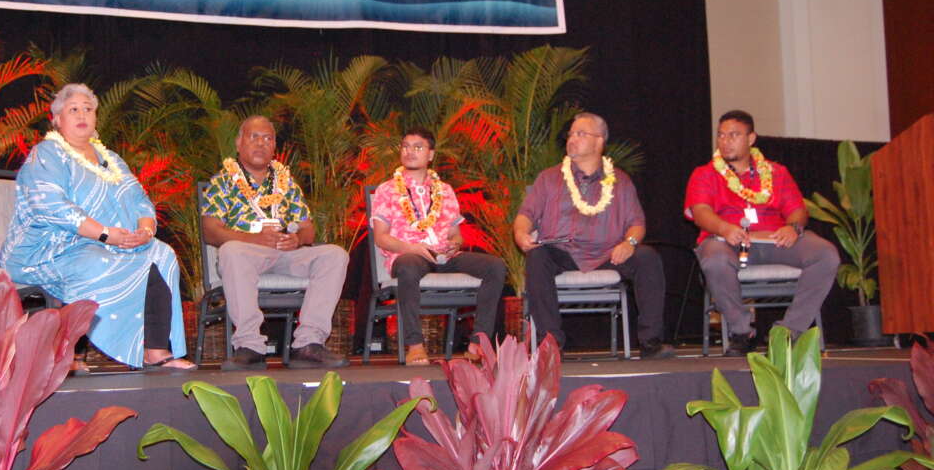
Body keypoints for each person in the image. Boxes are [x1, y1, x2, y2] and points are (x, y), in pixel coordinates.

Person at [1, 83, 194, 370]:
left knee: (162, 253)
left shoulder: (111, 159)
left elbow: (139, 199)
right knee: (95, 262)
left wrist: (144, 231)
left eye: (88, 109)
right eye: (73, 109)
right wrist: (104, 234)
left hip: (109, 242)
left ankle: (155, 349)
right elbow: (50, 204)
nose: (82, 115)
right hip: (50, 248)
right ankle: (69, 355)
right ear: (57, 120)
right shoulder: (48, 154)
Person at [512, 112, 674, 359]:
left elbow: (637, 224)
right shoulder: (549, 178)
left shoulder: (620, 180)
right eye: (571, 134)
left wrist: (629, 243)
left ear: (599, 141)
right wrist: (521, 232)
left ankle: (651, 342)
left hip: (608, 253)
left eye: (580, 134)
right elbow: (526, 214)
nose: (572, 139)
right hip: (561, 252)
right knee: (537, 257)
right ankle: (550, 346)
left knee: (647, 257)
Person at [685, 109, 838, 356]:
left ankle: (790, 331)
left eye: (733, 135)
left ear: (751, 138)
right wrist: (725, 227)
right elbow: (701, 212)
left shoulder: (776, 172)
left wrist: (793, 227)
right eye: (721, 135)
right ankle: (742, 332)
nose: (725, 141)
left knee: (825, 254)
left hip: (774, 240)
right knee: (714, 259)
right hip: (726, 240)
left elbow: (797, 210)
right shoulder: (704, 174)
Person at [201, 115, 350, 370]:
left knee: (335, 255)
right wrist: (254, 239)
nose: (261, 144)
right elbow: (210, 230)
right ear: (239, 143)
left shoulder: (286, 183)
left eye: (268, 139)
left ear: (274, 147)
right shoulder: (222, 182)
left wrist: (297, 239)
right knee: (232, 251)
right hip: (245, 253)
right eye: (254, 137)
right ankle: (250, 346)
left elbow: (308, 229)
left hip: (285, 253)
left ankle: (308, 343)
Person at [370, 127, 507, 365]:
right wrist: (411, 248)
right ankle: (415, 345)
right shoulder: (387, 190)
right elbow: (381, 237)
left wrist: (454, 245)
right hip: (408, 255)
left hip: (445, 256)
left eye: (418, 147)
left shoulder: (445, 190)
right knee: (408, 267)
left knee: (495, 266)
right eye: (405, 146)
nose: (409, 152)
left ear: (431, 155)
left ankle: (478, 344)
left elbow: (456, 234)